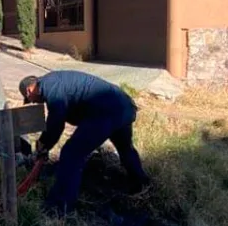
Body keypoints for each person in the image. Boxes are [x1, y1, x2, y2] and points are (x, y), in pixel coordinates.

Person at [19, 70, 150, 216]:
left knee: (71, 153)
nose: (35, 102)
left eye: (30, 100)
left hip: (105, 110)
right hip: (123, 105)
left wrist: (44, 144)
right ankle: (142, 186)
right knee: (125, 148)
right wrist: (46, 142)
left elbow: (56, 122)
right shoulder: (55, 81)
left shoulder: (50, 87)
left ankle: (60, 207)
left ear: (29, 90)